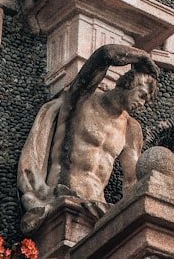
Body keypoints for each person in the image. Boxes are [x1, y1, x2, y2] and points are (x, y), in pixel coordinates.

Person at [17, 44, 159, 233]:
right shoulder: (81, 101)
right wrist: (140, 55)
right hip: (65, 198)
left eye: (146, 101)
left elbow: (132, 184)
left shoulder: (131, 129)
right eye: (141, 95)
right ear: (128, 84)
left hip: (99, 208)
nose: (141, 104)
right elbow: (105, 55)